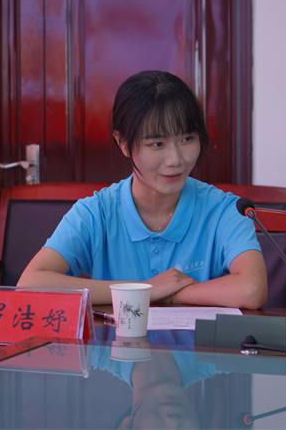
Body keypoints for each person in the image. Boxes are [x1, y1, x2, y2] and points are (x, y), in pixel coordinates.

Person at [18, 70, 267, 308]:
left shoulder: (226, 210)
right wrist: (142, 289)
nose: (175, 160)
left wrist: (167, 295)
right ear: (123, 143)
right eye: (157, 144)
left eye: (187, 139)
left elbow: (252, 289)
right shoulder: (95, 213)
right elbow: (30, 284)